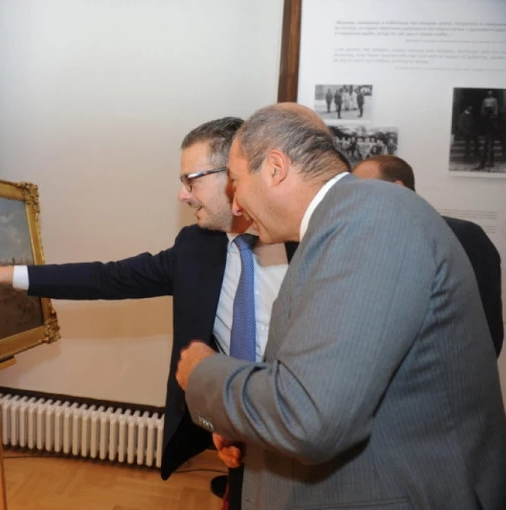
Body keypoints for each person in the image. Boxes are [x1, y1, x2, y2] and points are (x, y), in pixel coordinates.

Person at [0, 117, 296, 510]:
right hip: (238, 438)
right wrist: (6, 275)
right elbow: (107, 278)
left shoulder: (304, 244)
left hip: (304, 440)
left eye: (191, 180)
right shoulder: (195, 248)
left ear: (233, 175)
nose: (182, 195)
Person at [176, 103, 506, 509]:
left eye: (235, 182)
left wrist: (204, 374)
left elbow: (311, 418)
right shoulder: (340, 225)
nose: (237, 205)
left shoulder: (369, 220)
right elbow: (322, 381)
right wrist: (253, 431)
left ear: (275, 168)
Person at [351, 154, 503, 356]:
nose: (354, 201)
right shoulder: (364, 245)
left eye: (363, 191)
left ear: (398, 189)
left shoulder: (463, 237)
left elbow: (487, 330)